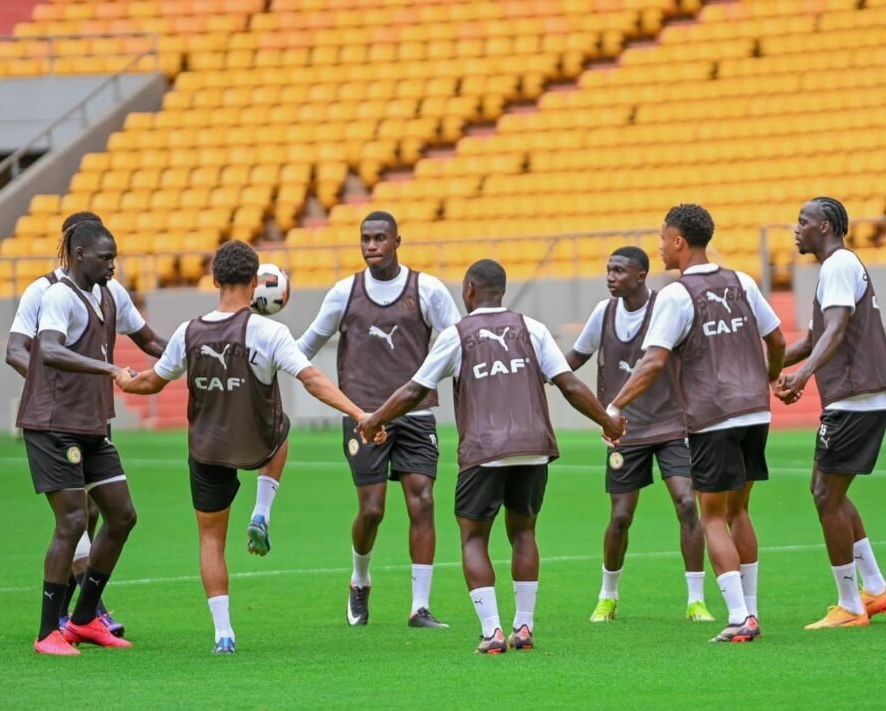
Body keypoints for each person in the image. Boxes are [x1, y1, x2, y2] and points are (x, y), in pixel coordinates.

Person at [116, 241, 384, 654]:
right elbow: (312, 379)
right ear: (256, 283)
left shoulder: (189, 331)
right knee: (282, 429)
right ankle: (262, 509)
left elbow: (152, 380)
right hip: (256, 441)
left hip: (207, 450)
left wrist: (125, 380)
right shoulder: (269, 331)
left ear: (214, 280)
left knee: (210, 540)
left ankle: (224, 633)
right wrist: (361, 413)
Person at [358, 259, 626, 654]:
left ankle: (492, 632)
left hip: (484, 451)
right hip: (534, 448)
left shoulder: (457, 334)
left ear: (469, 290)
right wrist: (607, 420)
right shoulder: (531, 328)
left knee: (473, 537)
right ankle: (524, 627)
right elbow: (568, 384)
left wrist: (375, 419)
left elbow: (416, 390)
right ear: (501, 290)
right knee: (523, 533)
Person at [608, 204, 786, 643]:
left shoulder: (675, 294)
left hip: (714, 416)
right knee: (740, 510)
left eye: (662, 238)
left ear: (679, 242)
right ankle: (753, 610)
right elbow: (778, 338)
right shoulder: (743, 281)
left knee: (711, 518)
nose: (659, 246)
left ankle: (740, 617)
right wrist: (770, 377)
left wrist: (615, 407)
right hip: (755, 410)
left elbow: (653, 362)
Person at [296, 211, 461, 629]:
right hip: (364, 415)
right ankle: (360, 578)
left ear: (397, 241)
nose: (371, 245)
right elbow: (308, 343)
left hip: (417, 413)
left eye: (379, 238)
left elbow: (461, 341)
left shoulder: (427, 289)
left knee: (422, 501)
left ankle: (419, 607)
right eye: (365, 238)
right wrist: (271, 364)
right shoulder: (343, 292)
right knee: (371, 511)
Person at [6, 211, 165, 638]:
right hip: (57, 420)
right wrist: (55, 392)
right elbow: (20, 350)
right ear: (77, 249)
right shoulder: (44, 292)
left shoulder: (111, 292)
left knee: (110, 513)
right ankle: (59, 623)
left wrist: (190, 352)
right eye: (105, 254)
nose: (113, 263)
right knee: (77, 516)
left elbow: (148, 341)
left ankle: (84, 615)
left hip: (95, 421)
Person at [565, 245, 714, 623]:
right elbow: (575, 358)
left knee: (685, 503)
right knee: (620, 518)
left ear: (641, 275)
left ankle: (696, 600)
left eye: (618, 270)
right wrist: (541, 376)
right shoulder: (604, 312)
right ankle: (608, 596)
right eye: (608, 269)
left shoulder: (667, 306)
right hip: (624, 430)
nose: (610, 276)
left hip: (671, 425)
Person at [775, 197, 886, 630]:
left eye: (803, 222)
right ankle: (876, 589)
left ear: (825, 227)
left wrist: (804, 375)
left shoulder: (838, 265)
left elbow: (837, 329)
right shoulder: (836, 268)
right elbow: (814, 338)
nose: (797, 230)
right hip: (859, 394)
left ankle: (850, 606)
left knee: (825, 494)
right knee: (830, 491)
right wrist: (767, 370)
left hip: (855, 393)